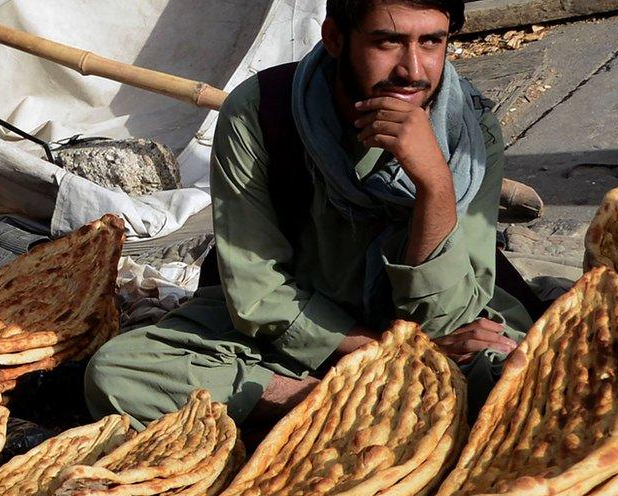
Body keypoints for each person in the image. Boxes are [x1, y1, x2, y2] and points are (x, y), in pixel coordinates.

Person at [85, 0, 533, 429]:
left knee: (521, 381)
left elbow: (449, 317)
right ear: (335, 38)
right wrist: (389, 355)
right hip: (302, 336)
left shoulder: (471, 131)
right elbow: (259, 293)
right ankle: (330, 404)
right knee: (120, 373)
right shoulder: (262, 113)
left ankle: (361, 407)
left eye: (431, 43)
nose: (412, 71)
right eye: (387, 42)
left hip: (436, 333)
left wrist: (435, 184)